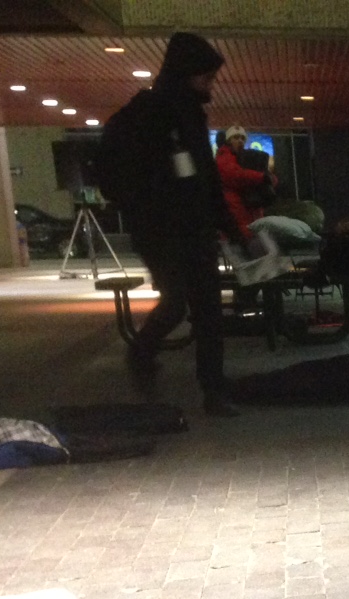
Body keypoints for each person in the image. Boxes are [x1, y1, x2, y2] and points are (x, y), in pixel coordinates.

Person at [103, 32, 242, 418]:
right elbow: (190, 177)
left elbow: (205, 178)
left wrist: (228, 226)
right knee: (181, 302)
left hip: (191, 230)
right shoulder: (148, 114)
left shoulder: (190, 115)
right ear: (186, 73)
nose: (210, 85)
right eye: (206, 77)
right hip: (162, 231)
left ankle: (213, 388)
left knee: (206, 308)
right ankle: (145, 351)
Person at [215, 125, 275, 235]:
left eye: (242, 138)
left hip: (247, 206)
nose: (240, 141)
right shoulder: (224, 157)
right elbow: (235, 175)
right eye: (236, 137)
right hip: (237, 206)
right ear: (228, 141)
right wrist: (262, 177)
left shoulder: (243, 157)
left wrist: (269, 179)